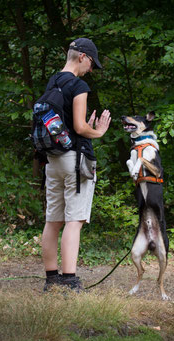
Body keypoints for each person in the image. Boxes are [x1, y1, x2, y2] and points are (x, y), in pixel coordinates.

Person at [41, 38, 111, 292]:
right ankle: (70, 281)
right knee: (74, 220)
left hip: (53, 160)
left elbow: (68, 124)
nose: (91, 70)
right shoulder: (78, 85)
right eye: (92, 64)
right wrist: (99, 131)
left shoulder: (53, 81)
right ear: (82, 57)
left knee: (53, 220)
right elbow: (80, 128)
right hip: (76, 161)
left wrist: (84, 127)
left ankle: (52, 281)